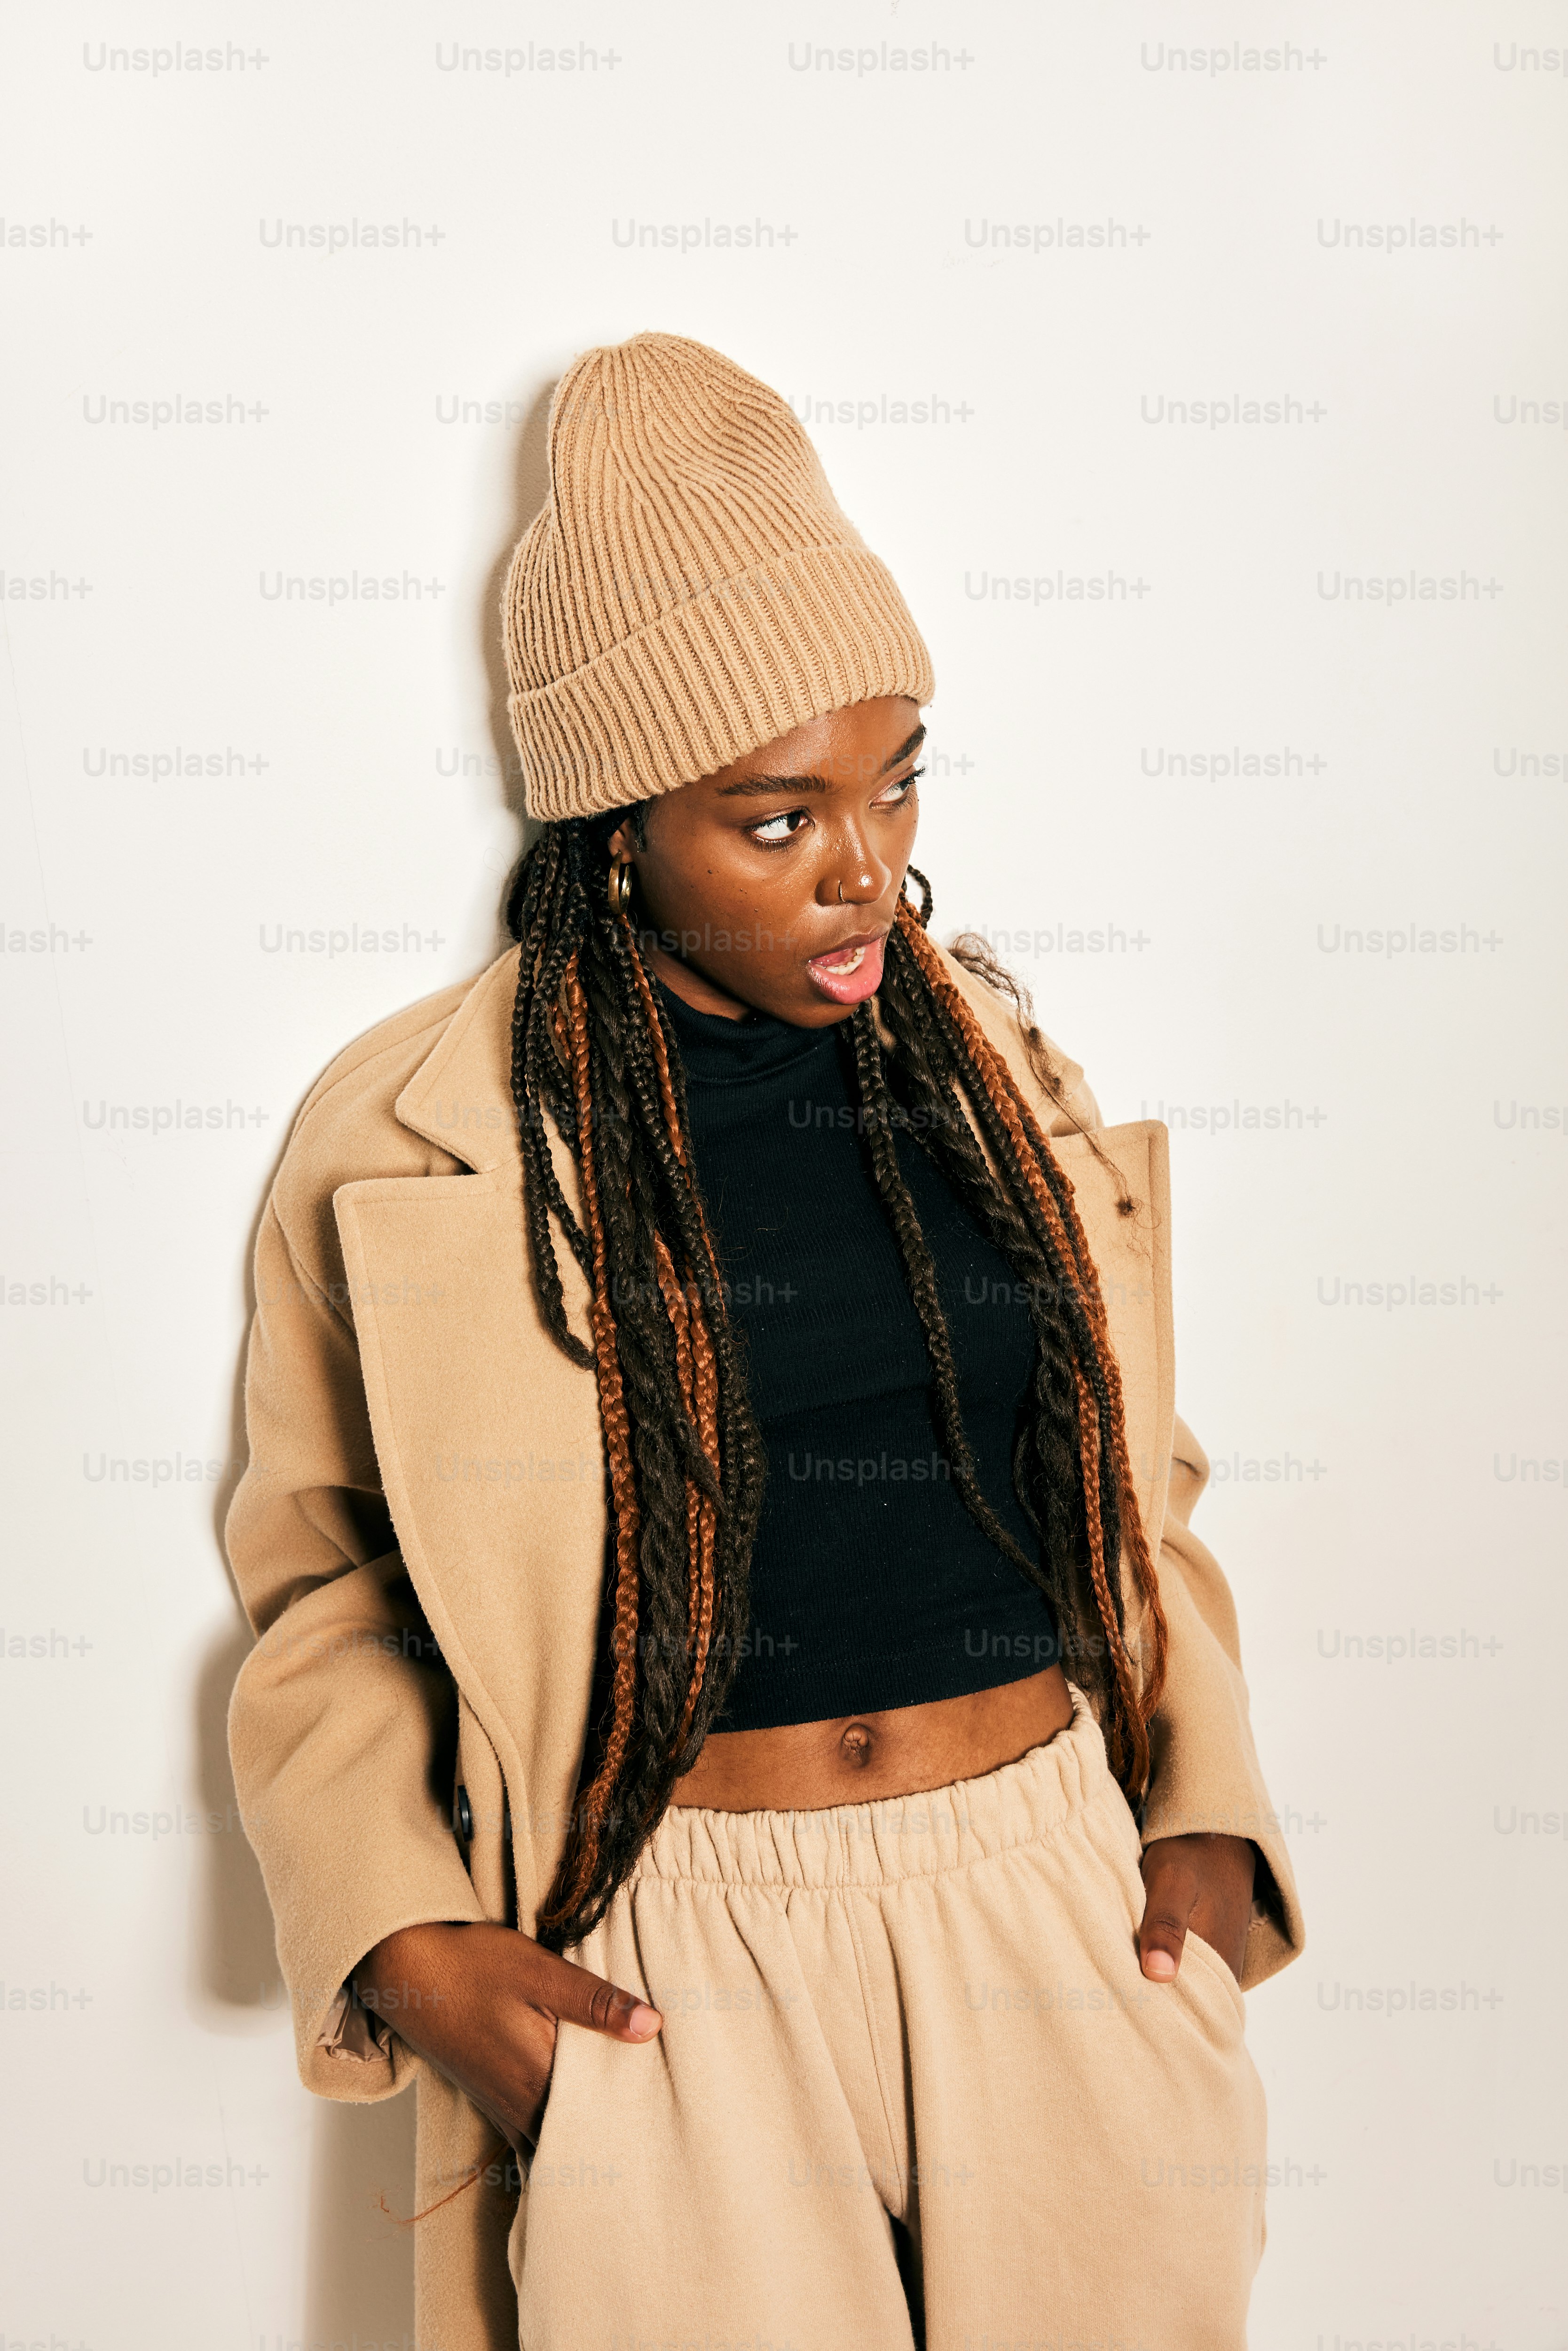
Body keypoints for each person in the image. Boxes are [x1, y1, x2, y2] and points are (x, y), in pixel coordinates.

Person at [227, 332, 1303, 2351]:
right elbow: (321, 1574)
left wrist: (1209, 1826)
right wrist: (408, 1939)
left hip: (1057, 1912)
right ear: (617, 823)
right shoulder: (418, 1141)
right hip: (674, 1952)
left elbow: (1133, 1475)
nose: (861, 865)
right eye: (773, 813)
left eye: (896, 782)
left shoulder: (996, 1074)